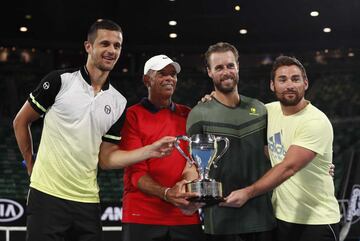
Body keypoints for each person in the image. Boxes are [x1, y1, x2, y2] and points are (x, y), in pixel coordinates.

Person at [13, 19, 175, 241]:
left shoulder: (119, 102)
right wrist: (30, 164)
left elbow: (106, 160)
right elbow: (21, 121)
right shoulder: (60, 81)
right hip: (47, 196)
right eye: (105, 44)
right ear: (88, 47)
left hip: (88, 202)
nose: (111, 50)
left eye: (117, 46)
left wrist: (150, 150)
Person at [224, 56, 340, 241]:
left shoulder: (315, 121)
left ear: (306, 83)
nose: (289, 85)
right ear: (272, 85)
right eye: (282, 79)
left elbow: (288, 167)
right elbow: (231, 112)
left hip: (316, 221)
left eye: (295, 79)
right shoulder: (267, 111)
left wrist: (248, 192)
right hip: (280, 218)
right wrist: (210, 99)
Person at [103, 54, 204, 241]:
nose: (170, 78)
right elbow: (136, 173)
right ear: (146, 80)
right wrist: (166, 194)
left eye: (173, 74)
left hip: (184, 214)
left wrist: (184, 187)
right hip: (142, 215)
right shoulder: (132, 116)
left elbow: (193, 163)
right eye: (162, 73)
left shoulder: (188, 114)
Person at [186, 42, 276, 241]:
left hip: (262, 217)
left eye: (230, 65)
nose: (226, 72)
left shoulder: (260, 109)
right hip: (220, 221)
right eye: (219, 68)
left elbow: (274, 154)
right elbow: (193, 164)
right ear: (209, 72)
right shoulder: (199, 114)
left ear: (238, 67)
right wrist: (188, 188)